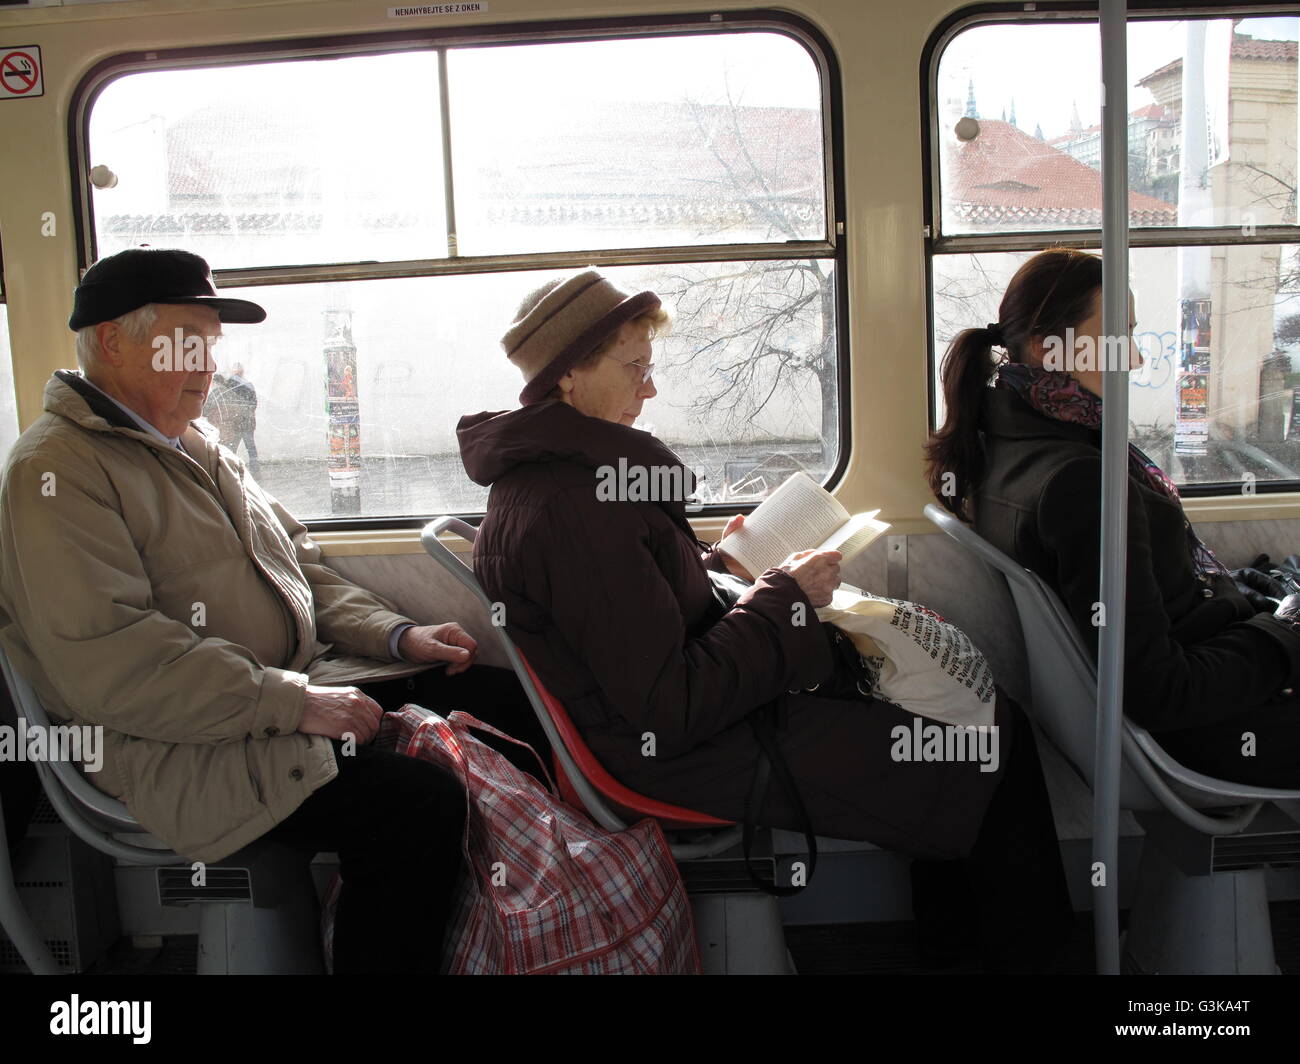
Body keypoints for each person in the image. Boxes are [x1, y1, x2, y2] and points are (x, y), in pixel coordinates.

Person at [457, 268, 1074, 971]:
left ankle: (961, 947)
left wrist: (722, 566)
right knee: (987, 742)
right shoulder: (575, 508)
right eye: (635, 368)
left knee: (967, 727)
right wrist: (783, 594)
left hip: (702, 716)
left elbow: (643, 612)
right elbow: (670, 706)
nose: (649, 388)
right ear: (567, 376)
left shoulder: (563, 479)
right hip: (682, 750)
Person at [0, 247, 544, 973]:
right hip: (171, 740)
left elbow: (301, 565)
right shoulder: (56, 473)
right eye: (185, 343)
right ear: (109, 340)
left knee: (510, 705)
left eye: (211, 346)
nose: (206, 366)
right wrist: (295, 705)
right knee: (415, 808)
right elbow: (116, 662)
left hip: (279, 689)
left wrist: (396, 635)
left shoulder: (197, 447)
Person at [926, 247, 1300, 786]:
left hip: (1215, 676)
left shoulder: (1009, 445)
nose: (1138, 361)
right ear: (1043, 347)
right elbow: (1162, 693)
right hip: (1213, 729)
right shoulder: (1081, 483)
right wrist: (1282, 632)